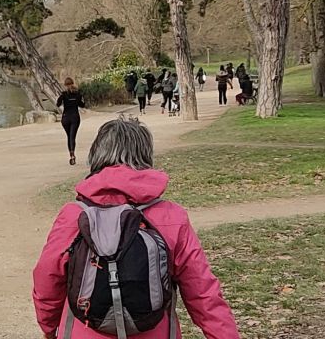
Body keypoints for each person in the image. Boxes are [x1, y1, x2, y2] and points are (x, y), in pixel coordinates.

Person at [32, 119, 241, 339]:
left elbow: (47, 277)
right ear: (145, 157)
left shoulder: (74, 215)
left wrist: (48, 327)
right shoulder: (172, 216)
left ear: (96, 156)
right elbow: (203, 293)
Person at [55, 77, 87, 166]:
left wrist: (61, 97)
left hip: (65, 118)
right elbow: (82, 105)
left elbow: (58, 104)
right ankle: (72, 155)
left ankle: (71, 154)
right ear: (73, 84)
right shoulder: (78, 94)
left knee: (69, 137)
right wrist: (81, 98)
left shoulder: (63, 94)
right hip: (75, 117)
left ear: (65, 85)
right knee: (72, 137)